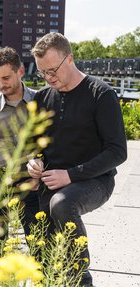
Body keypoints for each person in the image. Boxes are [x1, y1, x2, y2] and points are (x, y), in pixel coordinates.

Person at [27, 32, 127, 287]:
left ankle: (82, 280)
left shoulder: (101, 94)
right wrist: (34, 162)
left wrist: (70, 175)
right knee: (44, 249)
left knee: (61, 204)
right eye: (42, 73)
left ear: (69, 58)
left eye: (53, 70)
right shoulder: (41, 98)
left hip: (95, 181)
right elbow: (34, 146)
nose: (49, 78)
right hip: (51, 181)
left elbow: (118, 152)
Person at [0, 47, 40, 240]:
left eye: (6, 78)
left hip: (30, 182)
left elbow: (52, 146)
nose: (1, 84)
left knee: (38, 242)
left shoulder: (41, 101)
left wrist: (38, 179)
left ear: (20, 71)